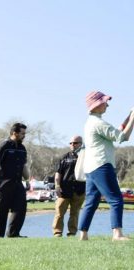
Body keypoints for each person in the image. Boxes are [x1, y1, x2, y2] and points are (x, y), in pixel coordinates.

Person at [77, 91, 134, 241]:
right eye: (105, 102)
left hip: (91, 167)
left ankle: (82, 234)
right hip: (102, 165)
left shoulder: (91, 122)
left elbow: (117, 131)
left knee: (91, 201)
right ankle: (117, 234)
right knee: (116, 199)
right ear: (96, 105)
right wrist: (133, 118)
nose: (107, 104)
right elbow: (123, 137)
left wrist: (129, 116)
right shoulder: (99, 123)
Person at [0, 123, 30, 238]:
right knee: (2, 211)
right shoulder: (3, 146)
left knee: (20, 208)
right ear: (14, 133)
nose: (24, 136)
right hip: (3, 183)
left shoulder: (22, 149)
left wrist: (27, 177)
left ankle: (13, 234)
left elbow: (24, 166)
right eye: (22, 133)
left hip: (18, 183)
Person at [51, 135, 85, 237]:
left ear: (81, 144)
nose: (72, 145)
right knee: (59, 213)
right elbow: (58, 173)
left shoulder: (86, 156)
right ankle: (57, 233)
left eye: (75, 143)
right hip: (64, 190)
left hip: (80, 189)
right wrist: (57, 186)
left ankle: (72, 233)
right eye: (70, 143)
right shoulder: (64, 157)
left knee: (75, 214)